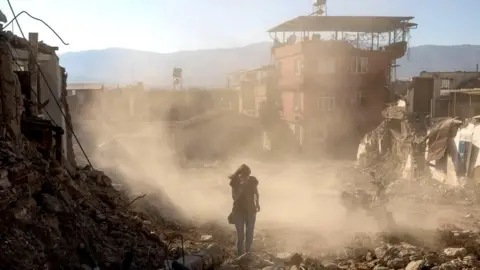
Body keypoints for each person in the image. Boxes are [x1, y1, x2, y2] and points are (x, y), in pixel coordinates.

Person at [228, 164, 260, 256]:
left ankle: (248, 253)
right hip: (238, 211)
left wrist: (257, 203)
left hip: (251, 210)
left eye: (248, 175)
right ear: (240, 174)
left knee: (249, 233)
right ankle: (240, 254)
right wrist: (241, 188)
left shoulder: (253, 180)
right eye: (244, 176)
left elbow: (256, 193)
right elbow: (234, 198)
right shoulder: (235, 182)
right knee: (240, 235)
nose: (246, 178)